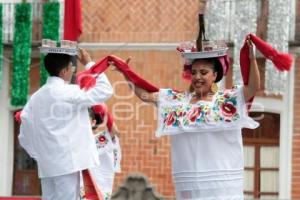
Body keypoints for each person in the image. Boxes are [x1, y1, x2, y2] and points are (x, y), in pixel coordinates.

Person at [116, 38, 260, 200]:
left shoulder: (229, 99)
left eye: (203, 72)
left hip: (222, 187)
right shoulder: (176, 100)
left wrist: (252, 58)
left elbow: (253, 87)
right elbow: (145, 95)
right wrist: (126, 74)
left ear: (215, 75)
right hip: (189, 186)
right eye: (193, 72)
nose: (197, 77)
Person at [18, 48, 113, 200]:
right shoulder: (69, 92)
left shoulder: (35, 99)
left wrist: (40, 156)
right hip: (68, 164)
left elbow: (24, 135)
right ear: (64, 71)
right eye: (71, 68)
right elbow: (105, 90)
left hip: (47, 165)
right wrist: (90, 64)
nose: (73, 71)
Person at [80, 104, 122, 200]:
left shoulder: (101, 139)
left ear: (93, 122)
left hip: (99, 190)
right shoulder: (76, 141)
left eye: (85, 119)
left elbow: (114, 132)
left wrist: (104, 111)